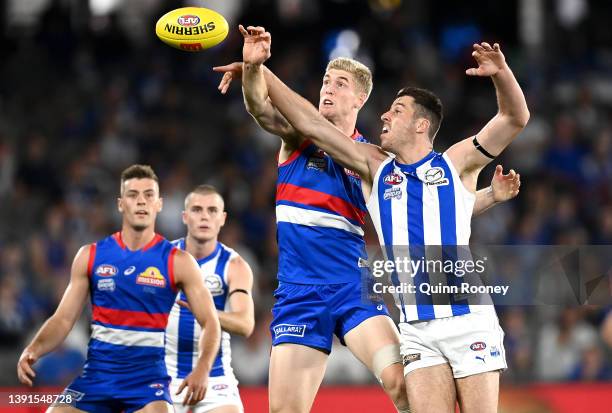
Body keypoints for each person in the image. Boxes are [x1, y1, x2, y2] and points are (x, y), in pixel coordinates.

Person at [214, 26, 522, 413]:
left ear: (360, 98)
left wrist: (489, 196)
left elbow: (430, 209)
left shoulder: (374, 161)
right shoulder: (296, 135)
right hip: (299, 290)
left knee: (401, 385)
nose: (327, 88)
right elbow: (260, 106)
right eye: (325, 80)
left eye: (339, 83)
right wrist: (255, 68)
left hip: (352, 286)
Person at [17, 165, 221, 413]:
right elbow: (62, 320)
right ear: (120, 204)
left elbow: (210, 322)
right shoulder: (90, 256)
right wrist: (33, 349)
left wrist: (202, 368)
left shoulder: (178, 262)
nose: (141, 202)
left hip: (147, 383)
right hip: (96, 379)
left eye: (149, 195)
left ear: (159, 204)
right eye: (133, 195)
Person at [165, 184, 255, 413]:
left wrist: (204, 312)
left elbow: (245, 324)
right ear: (185, 217)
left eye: (212, 210)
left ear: (222, 218)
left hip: (216, 380)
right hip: (162, 376)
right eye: (197, 210)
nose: (205, 216)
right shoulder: (163, 258)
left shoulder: (235, 266)